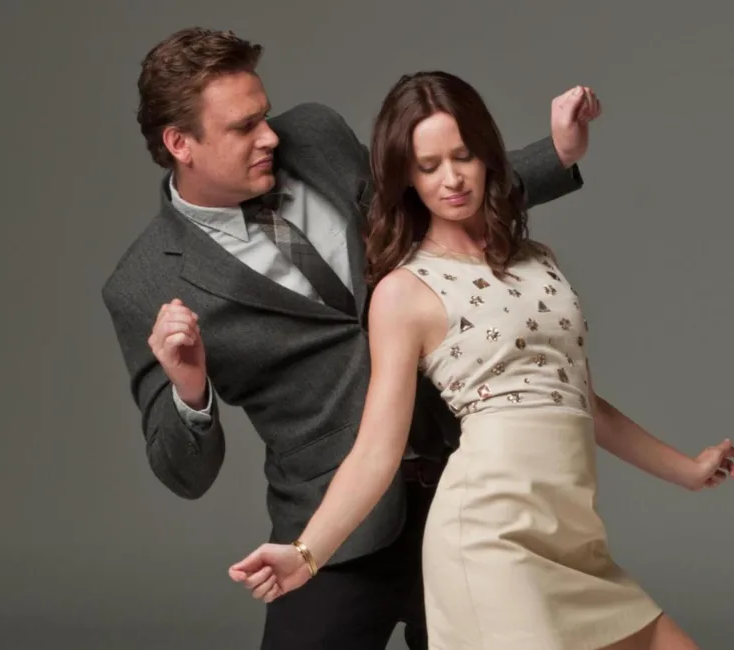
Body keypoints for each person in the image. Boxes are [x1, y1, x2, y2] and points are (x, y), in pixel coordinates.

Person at [102, 27, 598, 650]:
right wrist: (189, 390)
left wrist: (558, 153)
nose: (270, 136)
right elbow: (185, 473)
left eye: (264, 114)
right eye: (244, 127)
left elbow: (434, 201)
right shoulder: (145, 282)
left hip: (469, 492)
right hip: (335, 529)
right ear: (181, 144)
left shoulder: (317, 136)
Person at [227, 70, 734, 650]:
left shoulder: (539, 260)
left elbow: (580, 402)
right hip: (488, 540)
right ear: (407, 178)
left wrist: (687, 470)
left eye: (464, 156)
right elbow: (377, 450)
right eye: (428, 166)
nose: (452, 179)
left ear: (487, 156)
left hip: (572, 535)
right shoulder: (404, 292)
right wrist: (306, 554)